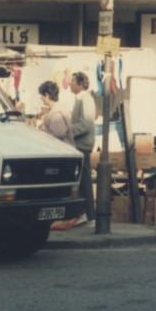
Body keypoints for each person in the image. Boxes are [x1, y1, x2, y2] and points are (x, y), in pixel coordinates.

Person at [69, 71, 96, 224]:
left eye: (73, 81)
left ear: (80, 83)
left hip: (83, 145)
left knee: (84, 181)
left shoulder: (85, 99)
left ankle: (88, 214)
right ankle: (84, 213)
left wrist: (69, 130)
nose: (70, 84)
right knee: (80, 180)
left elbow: (85, 124)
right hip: (79, 145)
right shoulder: (80, 99)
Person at [36, 80, 74, 146]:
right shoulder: (59, 108)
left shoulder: (56, 113)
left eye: (42, 96)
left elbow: (58, 135)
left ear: (47, 95)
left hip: (63, 151)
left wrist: (41, 128)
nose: (41, 98)